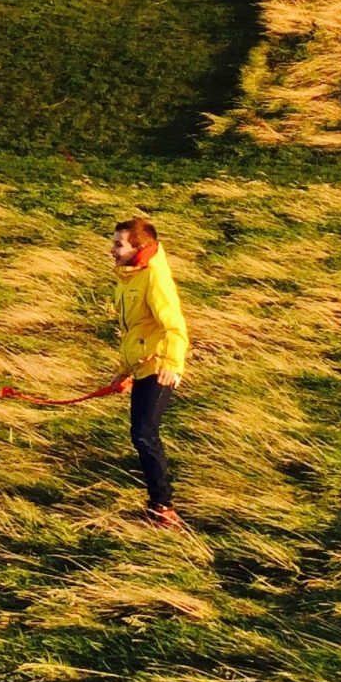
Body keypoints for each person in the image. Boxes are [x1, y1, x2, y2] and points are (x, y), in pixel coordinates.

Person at [108, 214, 191, 529]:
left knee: (144, 433)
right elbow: (135, 331)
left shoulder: (154, 277)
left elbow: (174, 324)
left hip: (160, 367)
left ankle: (164, 508)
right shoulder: (129, 276)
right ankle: (160, 503)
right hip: (142, 366)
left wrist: (172, 362)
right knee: (141, 434)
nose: (112, 250)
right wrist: (124, 370)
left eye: (118, 244)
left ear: (138, 247)